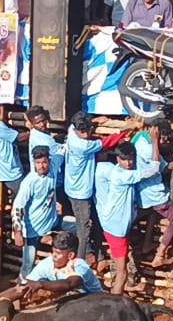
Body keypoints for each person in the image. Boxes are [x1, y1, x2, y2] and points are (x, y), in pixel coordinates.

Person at [95, 141, 161, 295]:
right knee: (122, 270)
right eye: (124, 159)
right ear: (117, 159)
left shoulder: (112, 171)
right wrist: (154, 140)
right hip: (117, 230)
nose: (128, 163)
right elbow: (154, 169)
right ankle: (116, 300)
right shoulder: (122, 176)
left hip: (113, 223)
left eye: (131, 159)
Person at [131, 115, 173, 269]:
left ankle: (153, 247)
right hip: (154, 193)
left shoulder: (140, 137)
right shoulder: (148, 148)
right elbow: (160, 167)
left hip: (144, 191)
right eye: (162, 138)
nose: (164, 142)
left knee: (157, 216)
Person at [63, 112, 105, 261]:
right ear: (76, 130)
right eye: (83, 131)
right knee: (84, 227)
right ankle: (81, 259)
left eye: (88, 130)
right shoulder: (82, 145)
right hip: (80, 192)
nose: (87, 135)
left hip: (75, 187)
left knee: (88, 222)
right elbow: (107, 142)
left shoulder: (71, 131)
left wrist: (93, 121)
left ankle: (96, 254)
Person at [12, 146, 59, 276]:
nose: (41, 166)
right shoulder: (29, 182)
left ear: (49, 161)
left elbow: (63, 151)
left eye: (44, 162)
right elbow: (17, 207)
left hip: (52, 221)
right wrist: (17, 231)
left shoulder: (53, 168)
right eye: (38, 163)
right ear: (34, 162)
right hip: (33, 229)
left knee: (79, 226)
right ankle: (22, 289)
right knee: (28, 264)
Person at [17, 230, 103, 296]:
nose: (54, 256)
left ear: (70, 255)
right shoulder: (48, 263)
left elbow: (69, 283)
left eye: (58, 253)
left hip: (95, 304)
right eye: (53, 251)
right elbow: (24, 286)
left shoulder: (79, 266)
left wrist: (40, 284)